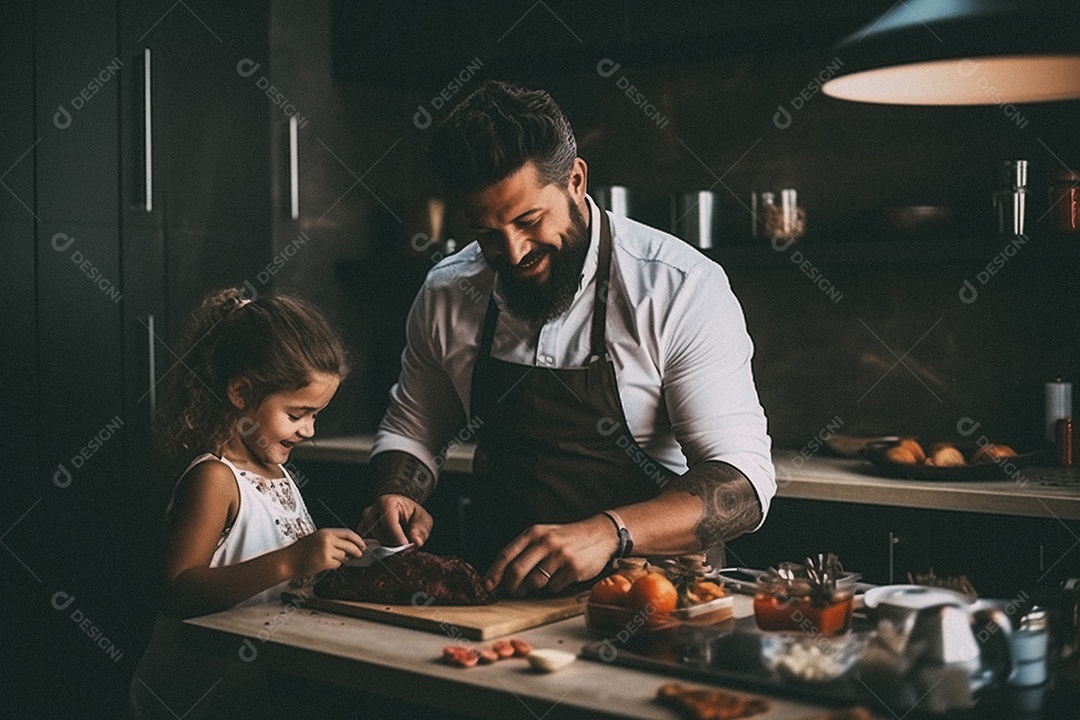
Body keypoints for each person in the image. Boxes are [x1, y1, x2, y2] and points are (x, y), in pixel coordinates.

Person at [361, 79, 775, 596]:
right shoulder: (448, 291)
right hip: (499, 592)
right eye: (487, 233)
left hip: (648, 595)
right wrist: (399, 492)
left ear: (576, 180)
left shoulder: (678, 287)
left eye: (529, 220)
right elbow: (414, 430)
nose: (512, 252)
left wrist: (607, 532)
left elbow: (742, 483)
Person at [130, 288, 364, 720]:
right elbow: (178, 591)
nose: (309, 430)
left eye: (316, 415)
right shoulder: (214, 479)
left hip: (249, 687)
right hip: (193, 694)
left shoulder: (279, 474)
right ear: (241, 393)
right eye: (296, 415)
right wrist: (291, 561)